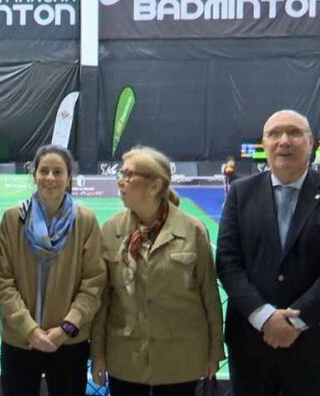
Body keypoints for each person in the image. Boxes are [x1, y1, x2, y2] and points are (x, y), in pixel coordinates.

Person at [216, 109, 320, 396]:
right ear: (265, 144)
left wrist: (295, 321)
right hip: (250, 340)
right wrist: (264, 317)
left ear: (310, 143)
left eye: (294, 133)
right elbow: (228, 262)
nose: (284, 141)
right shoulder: (240, 193)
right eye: (274, 134)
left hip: (313, 342)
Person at [91, 146, 223, 396]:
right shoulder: (110, 230)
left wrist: (214, 353)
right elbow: (103, 300)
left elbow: (210, 297)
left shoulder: (193, 230)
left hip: (181, 359)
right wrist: (98, 353)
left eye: (129, 175)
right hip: (126, 358)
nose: (121, 181)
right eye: (121, 173)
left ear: (154, 185)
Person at [0, 145, 105, 396]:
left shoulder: (85, 221)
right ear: (35, 176)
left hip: (68, 341)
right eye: (44, 171)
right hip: (20, 340)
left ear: (69, 177)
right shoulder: (13, 220)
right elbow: (2, 281)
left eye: (57, 172)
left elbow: (93, 284)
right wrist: (29, 329)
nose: (50, 178)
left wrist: (66, 328)